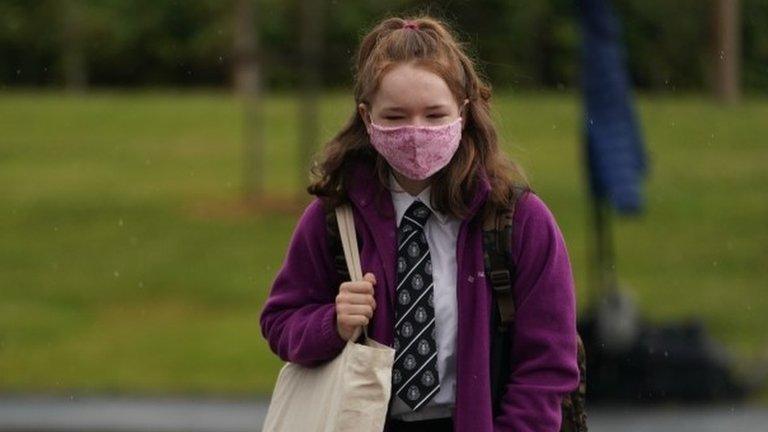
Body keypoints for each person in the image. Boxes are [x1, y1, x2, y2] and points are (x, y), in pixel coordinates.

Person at [259, 15, 580, 432]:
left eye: (434, 115)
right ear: (366, 116)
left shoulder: (519, 221)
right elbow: (279, 321)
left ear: (463, 113)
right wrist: (331, 323)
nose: (415, 132)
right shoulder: (334, 219)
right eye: (394, 117)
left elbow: (548, 364)